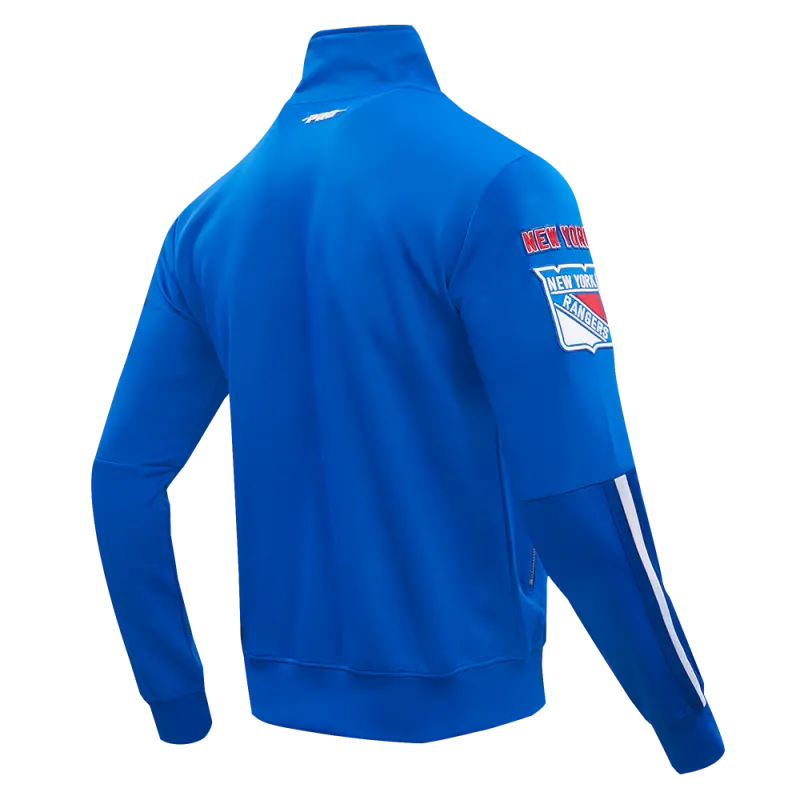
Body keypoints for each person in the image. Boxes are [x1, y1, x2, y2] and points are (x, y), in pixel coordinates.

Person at [89, 23, 726, 774]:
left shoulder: (208, 218)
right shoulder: (503, 186)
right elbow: (581, 487)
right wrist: (687, 730)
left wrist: (179, 708)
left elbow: (122, 480)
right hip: (468, 708)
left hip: (274, 701)